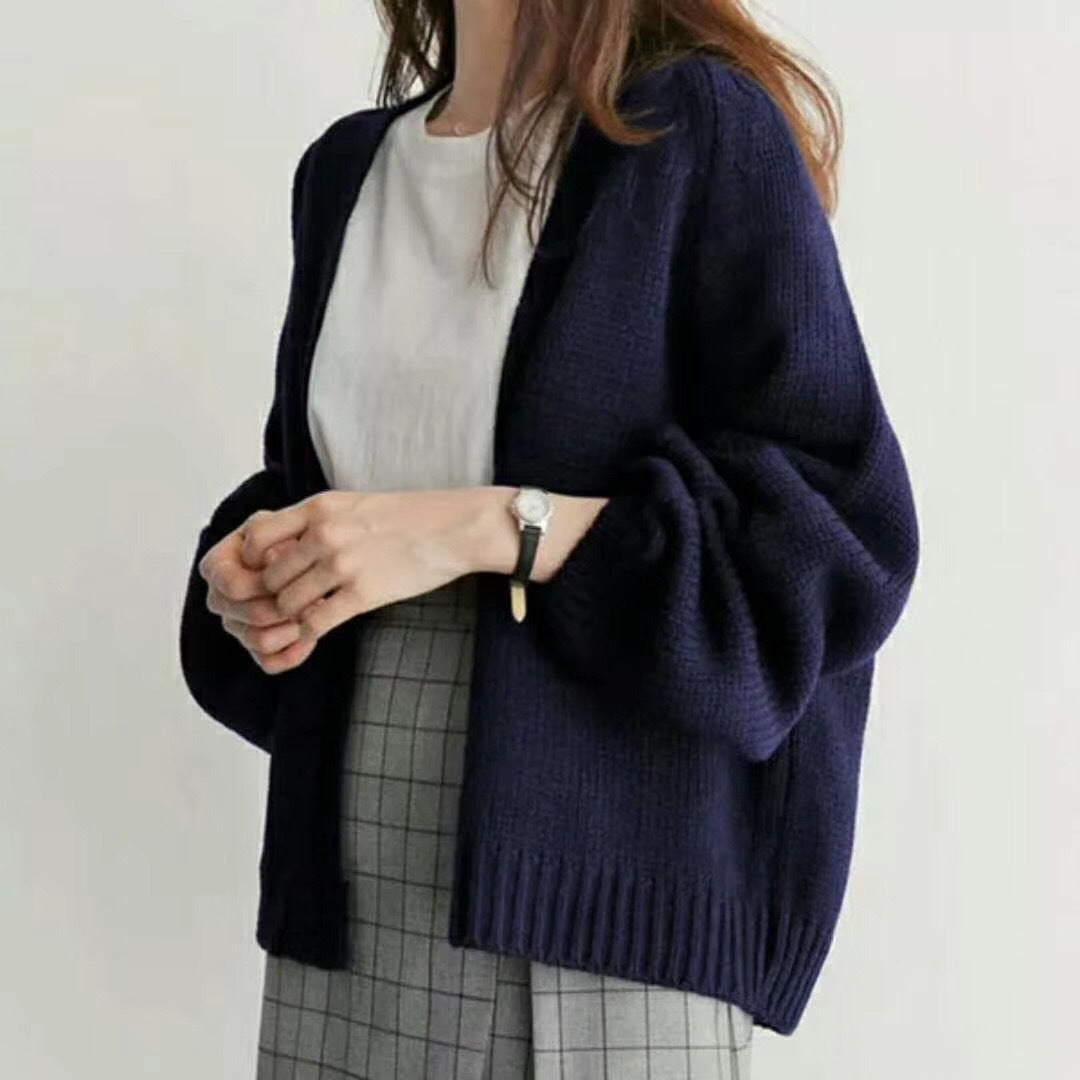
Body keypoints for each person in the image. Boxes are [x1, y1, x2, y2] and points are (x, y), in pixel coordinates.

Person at [178, 2, 920, 1077]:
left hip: (599, 913)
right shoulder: (343, 173)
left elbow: (833, 529)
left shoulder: (694, 128)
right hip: (345, 890)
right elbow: (321, 485)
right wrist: (258, 571)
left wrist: (495, 526)